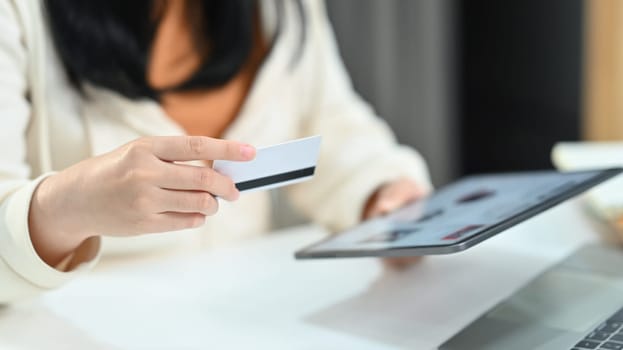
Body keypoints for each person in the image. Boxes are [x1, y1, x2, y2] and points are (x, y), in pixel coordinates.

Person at [0, 0, 431, 303]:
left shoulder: (282, 10)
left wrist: (382, 193)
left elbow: (333, 126)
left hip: (250, 316)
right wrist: (65, 207)